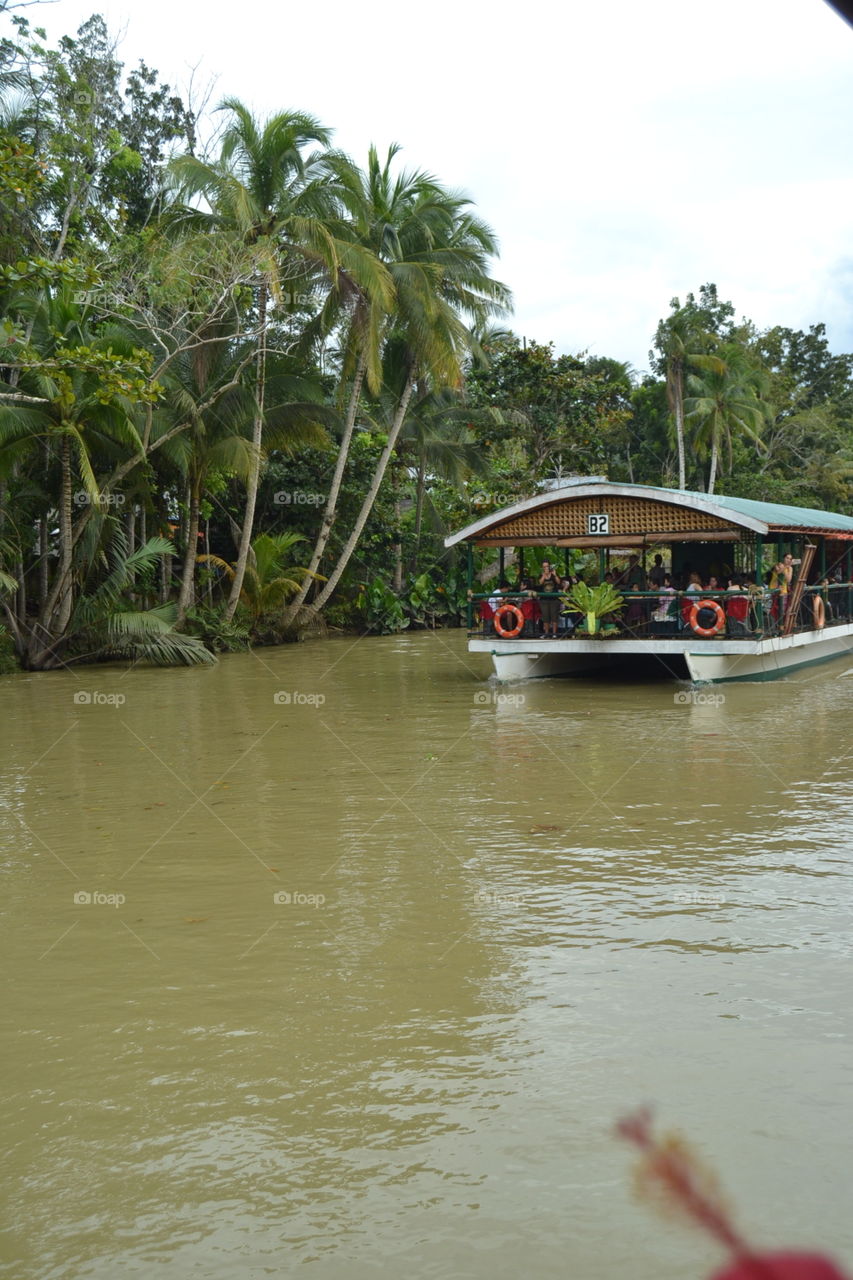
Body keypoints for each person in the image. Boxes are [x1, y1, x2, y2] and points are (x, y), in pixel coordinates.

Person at [537, 560, 562, 638]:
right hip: (544, 599)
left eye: (547, 566)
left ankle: (554, 633)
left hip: (554, 599)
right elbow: (540, 583)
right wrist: (544, 576)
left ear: (549, 566)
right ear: (542, 568)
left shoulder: (554, 574)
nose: (546, 568)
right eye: (544, 567)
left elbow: (559, 582)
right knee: (545, 617)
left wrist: (554, 575)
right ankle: (546, 633)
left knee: (554, 616)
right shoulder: (541, 575)